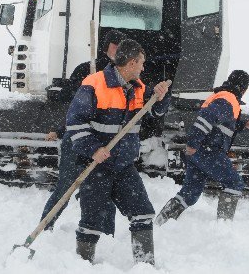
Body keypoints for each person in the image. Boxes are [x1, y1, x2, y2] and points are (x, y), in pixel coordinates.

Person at [67, 39, 171, 264]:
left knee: (143, 213)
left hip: (123, 165)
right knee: (91, 222)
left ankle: (145, 266)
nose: (143, 68)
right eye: (141, 63)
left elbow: (150, 115)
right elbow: (75, 122)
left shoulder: (138, 88)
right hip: (95, 165)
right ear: (132, 62)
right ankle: (82, 266)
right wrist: (93, 149)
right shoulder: (94, 84)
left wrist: (161, 98)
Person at [39, 29, 127, 230]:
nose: (120, 50)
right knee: (66, 187)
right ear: (107, 47)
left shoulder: (123, 77)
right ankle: (45, 227)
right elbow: (75, 111)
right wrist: (61, 130)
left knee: (105, 190)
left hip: (103, 143)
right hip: (77, 139)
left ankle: (105, 234)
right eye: (116, 45)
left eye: (123, 46)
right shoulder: (86, 70)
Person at [155, 70, 249, 225]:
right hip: (209, 151)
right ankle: (224, 226)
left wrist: (243, 124)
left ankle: (161, 222)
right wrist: (192, 143)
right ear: (244, 89)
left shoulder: (222, 96)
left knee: (190, 194)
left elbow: (221, 123)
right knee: (234, 183)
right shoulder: (227, 100)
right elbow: (205, 119)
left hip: (199, 153)